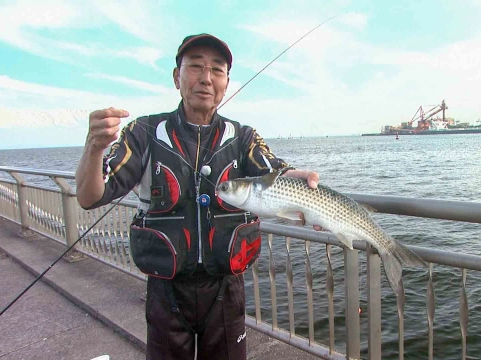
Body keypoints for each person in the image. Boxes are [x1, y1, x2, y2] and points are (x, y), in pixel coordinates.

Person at [75, 33, 320, 360]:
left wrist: (297, 179)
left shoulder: (242, 137)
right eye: (195, 67)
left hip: (226, 289)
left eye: (217, 70)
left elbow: (272, 170)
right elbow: (90, 196)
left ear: (227, 82)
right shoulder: (145, 132)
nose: (206, 78)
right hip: (166, 290)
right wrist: (94, 147)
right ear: (177, 77)